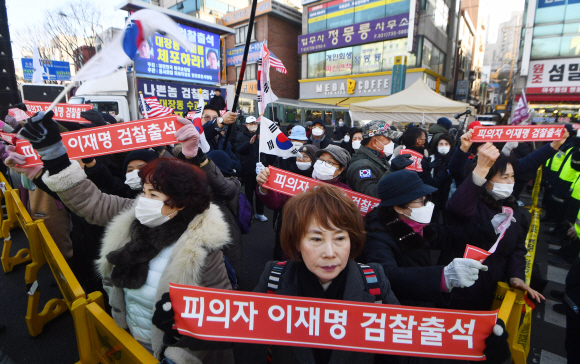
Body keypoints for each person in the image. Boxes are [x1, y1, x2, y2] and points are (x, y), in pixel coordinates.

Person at [18, 111, 234, 363]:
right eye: (144, 192)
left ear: (180, 202)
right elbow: (90, 201)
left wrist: (177, 358)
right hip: (130, 337)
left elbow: (214, 315)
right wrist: (53, 154)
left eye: (153, 195)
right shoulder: (132, 215)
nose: (143, 201)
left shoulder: (203, 248)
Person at [252, 184, 399, 363]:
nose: (329, 252)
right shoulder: (274, 278)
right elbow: (238, 331)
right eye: (316, 239)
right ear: (297, 242)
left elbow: (397, 347)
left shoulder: (374, 280)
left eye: (339, 238)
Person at [363, 169, 493, 307]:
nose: (427, 205)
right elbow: (386, 275)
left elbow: (448, 235)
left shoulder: (415, 224)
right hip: (400, 310)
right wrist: (441, 277)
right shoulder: (377, 236)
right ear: (398, 208)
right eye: (420, 201)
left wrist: (490, 228)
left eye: (426, 199)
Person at [442, 143, 545, 310]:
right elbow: (456, 207)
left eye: (512, 177)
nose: (511, 182)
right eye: (504, 177)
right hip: (460, 288)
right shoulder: (471, 205)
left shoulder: (512, 210)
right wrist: (481, 168)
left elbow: (518, 248)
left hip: (494, 287)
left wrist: (516, 275)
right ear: (486, 180)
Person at [257, 145, 351, 260]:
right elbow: (276, 202)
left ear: (341, 169)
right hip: (296, 247)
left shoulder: (346, 193)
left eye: (330, 162)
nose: (323, 164)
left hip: (326, 251)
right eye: (321, 160)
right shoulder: (300, 182)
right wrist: (265, 187)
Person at [346, 120, 412, 197]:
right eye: (388, 139)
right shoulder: (362, 166)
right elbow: (370, 196)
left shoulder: (378, 158)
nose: (392, 143)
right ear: (374, 142)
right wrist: (392, 170)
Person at [237, 116, 268, 222]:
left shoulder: (263, 135)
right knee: (249, 194)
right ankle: (250, 214)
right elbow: (239, 150)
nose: (253, 125)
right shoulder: (241, 136)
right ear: (246, 125)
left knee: (260, 192)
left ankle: (260, 213)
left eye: (255, 123)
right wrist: (249, 143)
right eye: (251, 123)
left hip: (261, 168)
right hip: (248, 169)